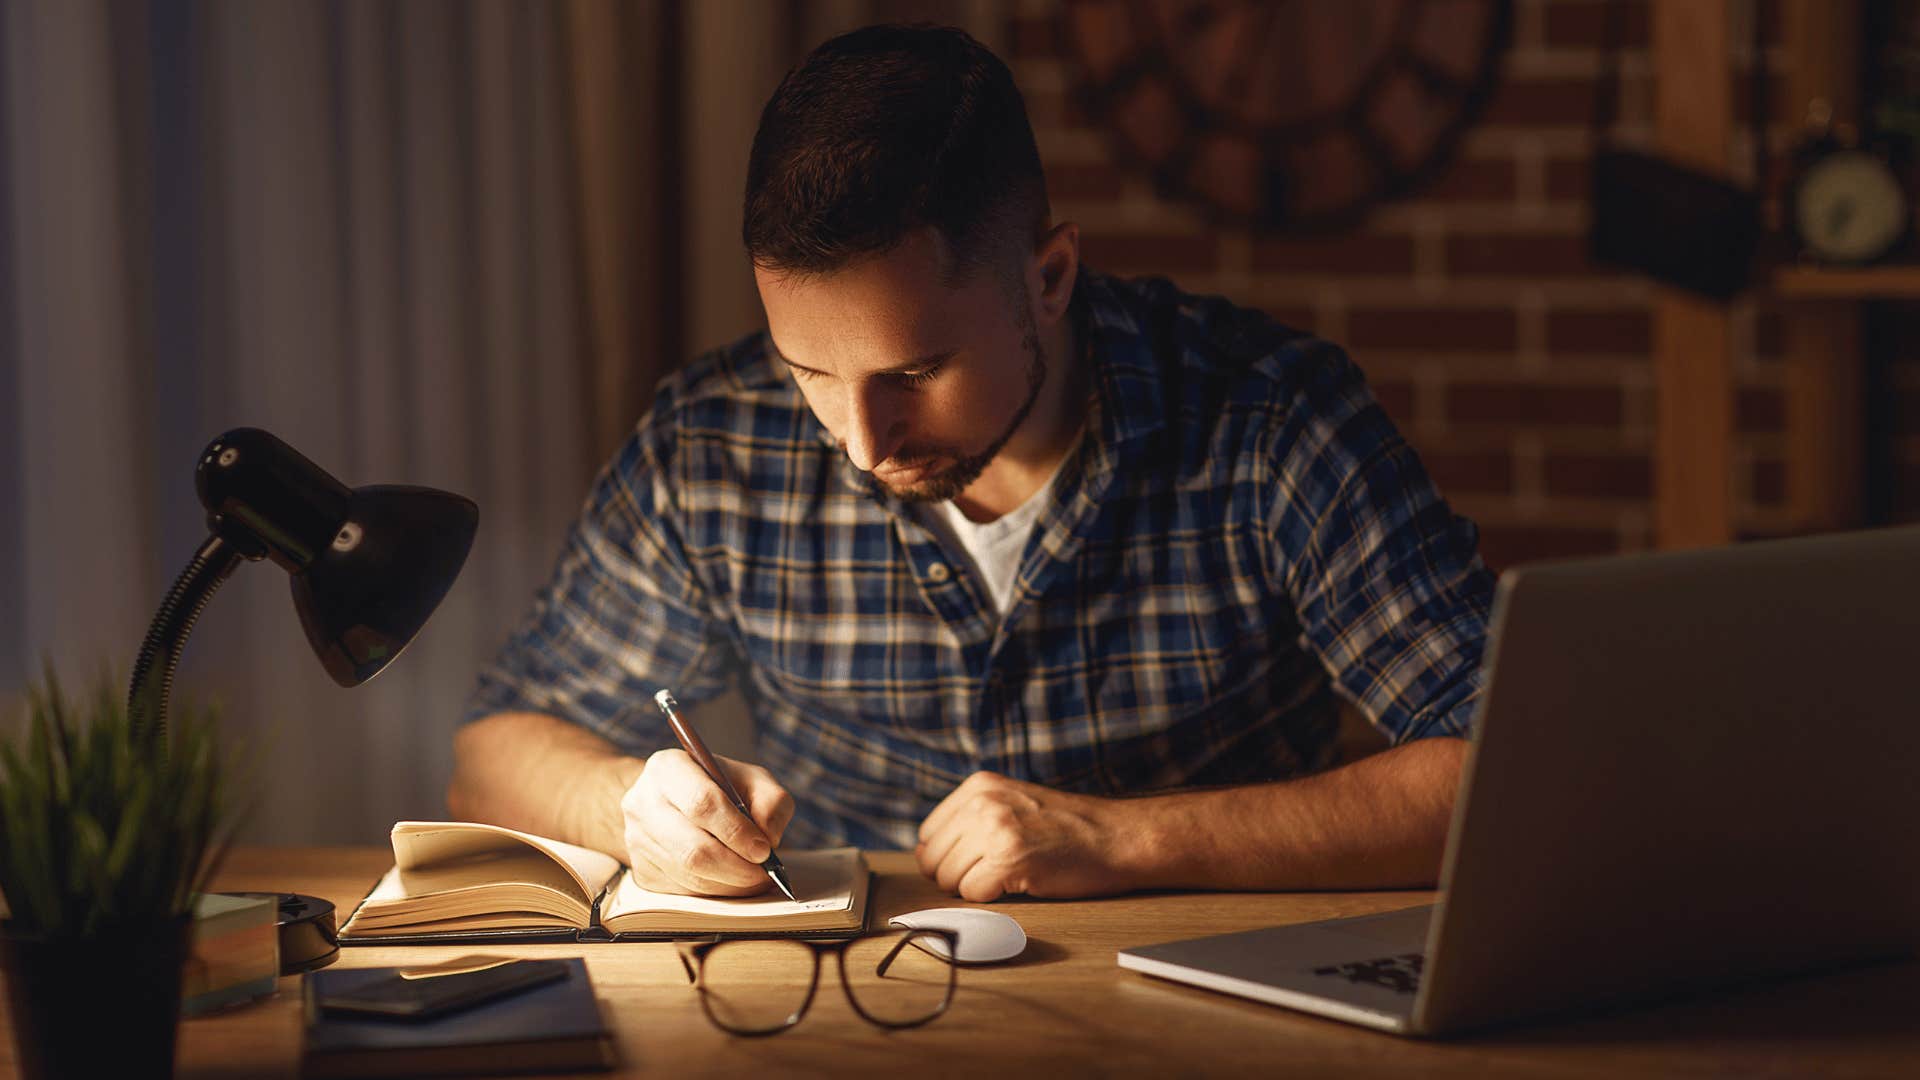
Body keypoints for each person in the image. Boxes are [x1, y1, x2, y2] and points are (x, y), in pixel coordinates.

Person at [448, 24, 1491, 904]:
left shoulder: (1271, 418)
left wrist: (1127, 840)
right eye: (808, 370)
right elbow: (488, 754)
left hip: (1207, 1009)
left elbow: (1506, 773)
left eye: (915, 371)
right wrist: (632, 806)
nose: (862, 441)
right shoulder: (713, 448)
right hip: (847, 1016)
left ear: (1050, 276)